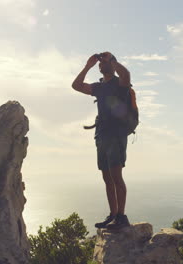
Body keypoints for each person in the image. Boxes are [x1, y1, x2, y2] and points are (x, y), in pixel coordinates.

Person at [71, 51, 131, 230]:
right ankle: (113, 215)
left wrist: (113, 60)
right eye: (101, 62)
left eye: (104, 61)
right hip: (102, 135)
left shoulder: (119, 84)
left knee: (116, 176)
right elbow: (76, 85)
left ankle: (121, 217)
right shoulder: (99, 87)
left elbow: (126, 75)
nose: (101, 63)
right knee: (106, 177)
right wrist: (88, 66)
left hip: (116, 135)